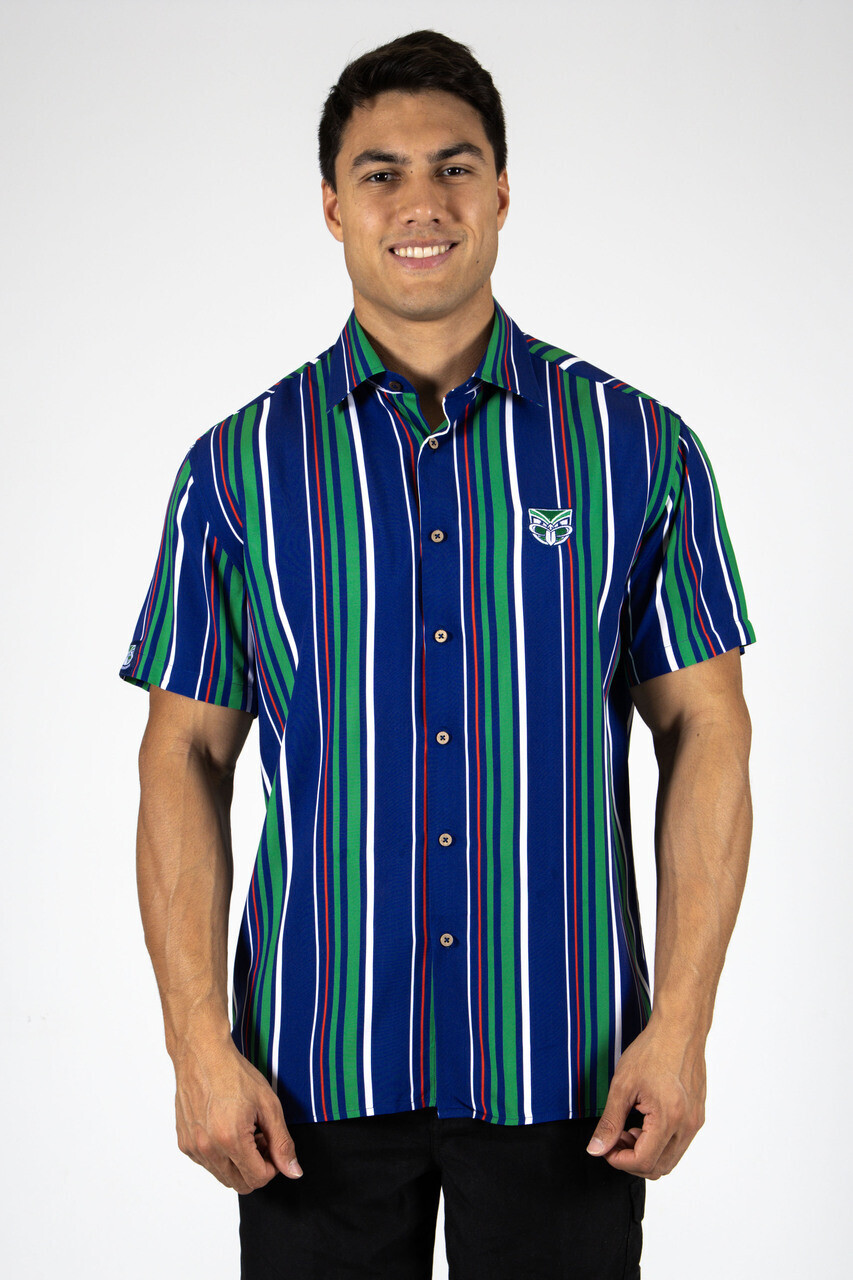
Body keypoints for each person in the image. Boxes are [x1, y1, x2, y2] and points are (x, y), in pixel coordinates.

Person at [120, 28, 754, 1279]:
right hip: (307, 1081)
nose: (421, 203)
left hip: (570, 1072)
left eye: (454, 168)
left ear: (502, 192)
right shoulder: (238, 469)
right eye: (381, 173)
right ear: (331, 204)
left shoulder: (637, 448)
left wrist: (680, 1022)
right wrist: (197, 1042)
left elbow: (708, 725)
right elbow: (182, 753)